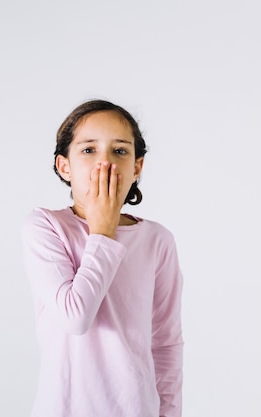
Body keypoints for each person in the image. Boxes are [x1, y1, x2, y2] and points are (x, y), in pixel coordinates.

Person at [21, 99, 183, 417]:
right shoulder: (45, 226)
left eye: (119, 151)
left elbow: (165, 342)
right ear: (63, 166)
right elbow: (75, 318)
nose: (104, 163)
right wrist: (103, 230)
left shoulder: (157, 239)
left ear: (136, 167)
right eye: (88, 150)